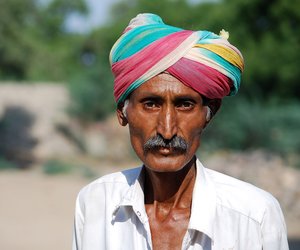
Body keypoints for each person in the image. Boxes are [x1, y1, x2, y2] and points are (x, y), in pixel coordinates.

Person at [72, 13, 288, 250]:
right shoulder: (95, 204)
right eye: (150, 104)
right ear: (123, 113)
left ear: (209, 113)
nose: (167, 130)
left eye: (184, 105)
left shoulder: (255, 215)